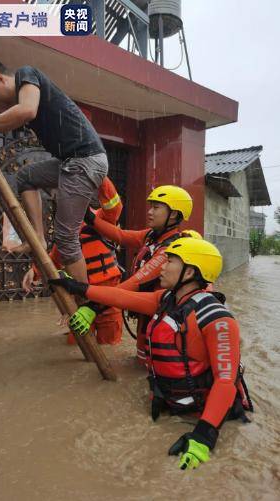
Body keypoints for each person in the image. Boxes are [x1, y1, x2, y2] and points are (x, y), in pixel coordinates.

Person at [49, 237, 253, 470]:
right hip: (173, 406)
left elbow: (225, 382)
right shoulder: (167, 299)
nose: (162, 267)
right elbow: (123, 298)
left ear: (189, 273)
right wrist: (79, 289)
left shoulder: (217, 319)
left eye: (170, 262)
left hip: (203, 418)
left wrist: (204, 437)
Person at [0, 61, 108, 283]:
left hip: (85, 160)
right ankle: (39, 238)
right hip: (69, 161)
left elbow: (26, 111)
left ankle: (85, 300)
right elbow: (1, 122)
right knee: (26, 177)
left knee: (65, 239)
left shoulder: (27, 73)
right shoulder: (24, 99)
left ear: (0, 79)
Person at [70, 185, 193, 364]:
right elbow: (120, 235)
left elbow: (134, 283)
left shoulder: (169, 249)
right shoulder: (151, 236)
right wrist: (90, 218)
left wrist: (94, 307)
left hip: (159, 316)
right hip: (147, 314)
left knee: (151, 364)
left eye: (156, 207)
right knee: (141, 362)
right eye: (151, 206)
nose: (150, 212)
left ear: (173, 214)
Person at [22, 177, 124, 345]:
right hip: (81, 299)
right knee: (75, 346)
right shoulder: (66, 230)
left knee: (110, 348)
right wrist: (35, 271)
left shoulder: (102, 218)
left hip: (108, 300)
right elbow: (55, 257)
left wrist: (98, 174)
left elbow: (114, 205)